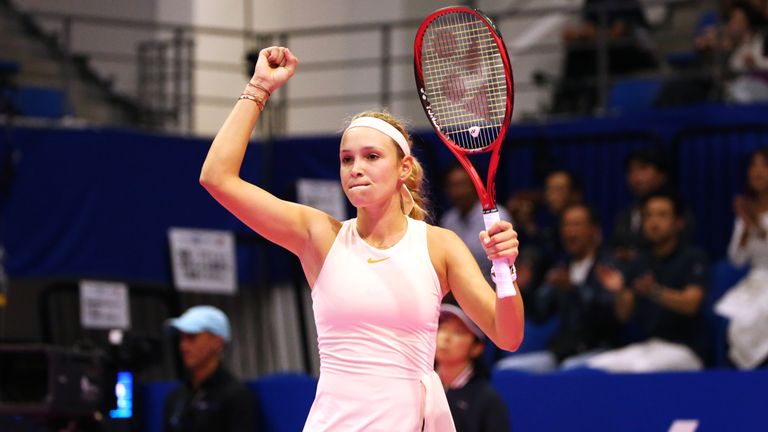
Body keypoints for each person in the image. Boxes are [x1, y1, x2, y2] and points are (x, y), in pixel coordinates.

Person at [199, 46, 524, 431]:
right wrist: (259, 87)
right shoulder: (318, 236)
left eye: (371, 156)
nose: (356, 168)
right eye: (347, 159)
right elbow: (216, 177)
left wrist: (505, 272)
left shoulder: (440, 246)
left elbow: (508, 336)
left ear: (404, 167)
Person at [588, 192, 710, 372]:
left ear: (678, 223)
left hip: (686, 348)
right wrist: (620, 288)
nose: (654, 222)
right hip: (650, 345)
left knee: (641, 370)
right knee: (596, 367)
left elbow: (691, 303)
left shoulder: (693, 257)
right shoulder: (640, 262)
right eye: (648, 216)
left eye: (662, 215)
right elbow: (624, 314)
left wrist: (655, 292)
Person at [496, 204, 621, 372]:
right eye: (566, 225)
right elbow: (540, 314)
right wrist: (524, 288)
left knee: (570, 369)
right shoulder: (561, 267)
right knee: (507, 368)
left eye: (577, 225)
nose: (570, 232)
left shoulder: (607, 266)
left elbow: (610, 316)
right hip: (562, 352)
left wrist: (574, 289)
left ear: (594, 230)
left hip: (600, 349)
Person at [551, 0, 658, 114]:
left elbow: (617, 32)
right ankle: (565, 103)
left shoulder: (626, 2)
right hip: (605, 48)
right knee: (576, 52)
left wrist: (589, 34)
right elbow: (589, 28)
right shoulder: (591, 3)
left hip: (632, 51)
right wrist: (580, 35)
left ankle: (592, 104)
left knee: (597, 57)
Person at [163, 305, 256, 432]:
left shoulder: (236, 397)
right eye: (181, 338)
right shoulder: (175, 398)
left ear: (217, 342)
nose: (183, 346)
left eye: (192, 337)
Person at [715, 148, 768, 369]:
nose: (757, 171)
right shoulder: (747, 211)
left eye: (764, 165)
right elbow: (736, 260)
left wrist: (757, 225)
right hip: (755, 280)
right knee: (725, 314)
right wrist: (746, 228)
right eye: (753, 165)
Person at [436, 304, 511, 432]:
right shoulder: (418, 386)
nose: (445, 337)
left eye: (458, 332)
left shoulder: (487, 400)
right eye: (442, 328)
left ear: (477, 348)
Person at [612, 149, 695, 263]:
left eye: (643, 169)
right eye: (631, 171)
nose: (636, 177)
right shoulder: (626, 214)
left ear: (662, 175)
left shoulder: (679, 210)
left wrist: (638, 258)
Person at [440, 164, 511, 282]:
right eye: (452, 186)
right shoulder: (448, 220)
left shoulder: (497, 217)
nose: (456, 192)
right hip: (459, 290)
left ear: (474, 186)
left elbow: (510, 261)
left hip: (496, 285)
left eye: (461, 185)